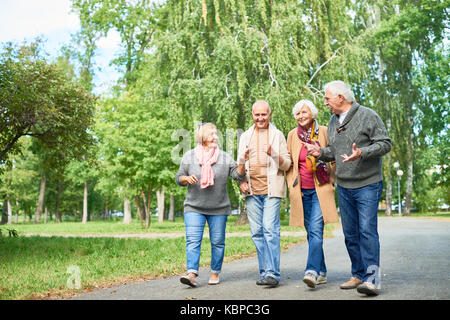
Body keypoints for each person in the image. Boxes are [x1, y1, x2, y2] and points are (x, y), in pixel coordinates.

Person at [305, 81, 392, 296]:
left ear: (341, 98)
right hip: (344, 185)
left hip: (367, 184)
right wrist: (320, 152)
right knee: (350, 233)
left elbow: (385, 144)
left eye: (327, 99)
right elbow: (335, 151)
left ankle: (372, 280)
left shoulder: (368, 115)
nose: (325, 103)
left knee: (367, 231)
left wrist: (362, 152)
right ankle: (358, 274)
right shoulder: (333, 121)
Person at [175, 123, 245, 287]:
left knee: (218, 241)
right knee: (193, 241)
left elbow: (236, 174)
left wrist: (242, 163)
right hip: (194, 206)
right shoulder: (189, 156)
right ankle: (191, 273)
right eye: (212, 134)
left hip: (219, 208)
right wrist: (186, 179)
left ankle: (215, 272)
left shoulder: (224, 157)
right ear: (202, 137)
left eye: (216, 133)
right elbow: (179, 177)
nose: (216, 137)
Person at [286, 99, 339, 289]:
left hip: (320, 189)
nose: (301, 116)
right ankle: (322, 271)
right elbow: (290, 162)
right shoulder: (293, 135)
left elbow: (333, 154)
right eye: (298, 113)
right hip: (301, 191)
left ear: (313, 113)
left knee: (316, 230)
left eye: (304, 112)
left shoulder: (323, 131)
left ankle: (312, 271)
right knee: (311, 233)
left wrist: (332, 179)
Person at [237, 100, 291, 286]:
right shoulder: (245, 136)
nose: (260, 118)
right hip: (252, 191)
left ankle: (273, 274)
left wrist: (273, 154)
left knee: (269, 229)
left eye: (264, 114)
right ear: (252, 115)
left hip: (271, 189)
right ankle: (265, 272)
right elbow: (239, 169)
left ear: (270, 114)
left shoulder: (277, 135)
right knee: (257, 232)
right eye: (257, 114)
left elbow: (287, 164)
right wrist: (241, 181)